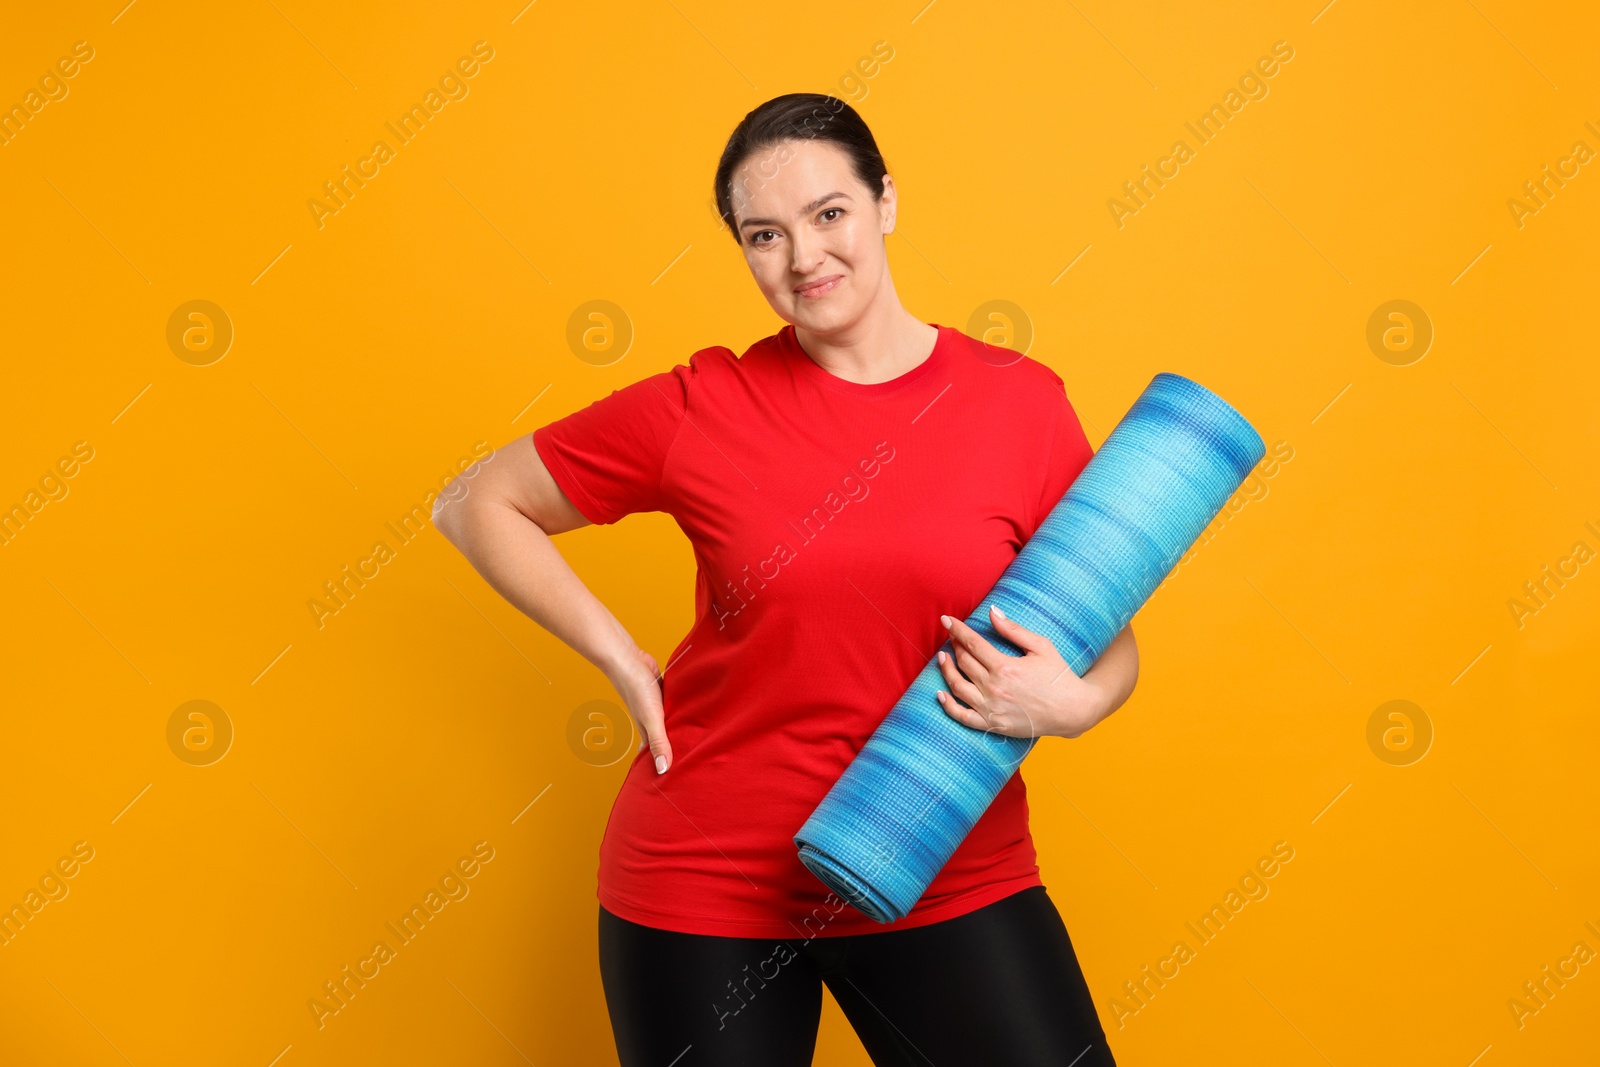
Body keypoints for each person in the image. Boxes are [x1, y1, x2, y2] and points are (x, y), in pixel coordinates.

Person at [434, 92, 1140, 1066]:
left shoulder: (1019, 403)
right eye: (763, 235)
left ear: (884, 201)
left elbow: (1107, 629)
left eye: (828, 214)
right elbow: (473, 500)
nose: (803, 257)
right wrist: (620, 655)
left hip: (946, 863)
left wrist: (1071, 702)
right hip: (707, 880)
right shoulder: (702, 404)